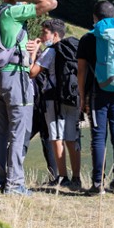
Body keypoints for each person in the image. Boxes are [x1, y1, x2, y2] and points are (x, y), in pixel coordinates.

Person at [0, 0, 57, 196]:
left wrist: (32, 49)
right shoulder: (14, 11)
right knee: (19, 129)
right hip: (15, 76)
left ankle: (0, 180)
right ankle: (15, 183)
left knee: (1, 131)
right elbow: (51, 3)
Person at [77, 1, 114, 195]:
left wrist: (82, 98)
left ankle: (97, 183)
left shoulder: (88, 38)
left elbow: (81, 71)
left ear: (95, 18)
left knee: (99, 136)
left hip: (97, 91)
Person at [29, 18, 81, 189]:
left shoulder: (51, 51)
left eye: (45, 32)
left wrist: (34, 51)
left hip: (53, 99)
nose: (42, 36)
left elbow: (32, 72)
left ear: (55, 34)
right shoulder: (75, 49)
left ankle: (62, 177)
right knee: (72, 138)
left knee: (56, 137)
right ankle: (76, 178)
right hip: (73, 98)